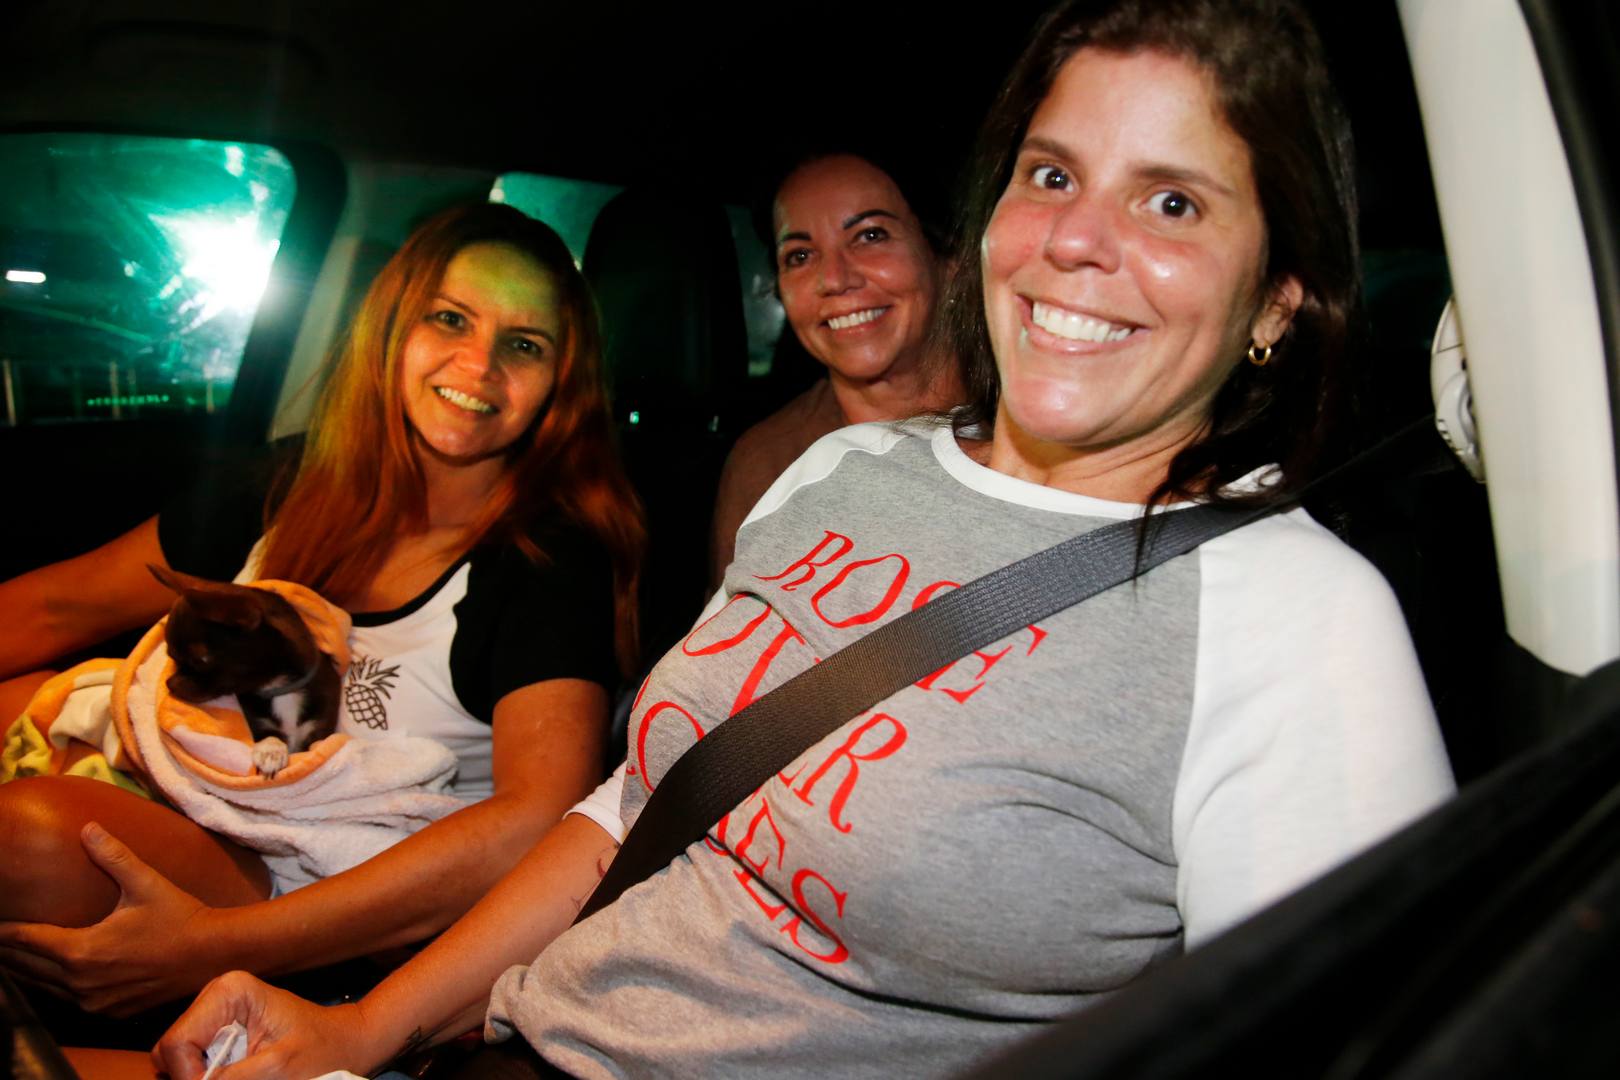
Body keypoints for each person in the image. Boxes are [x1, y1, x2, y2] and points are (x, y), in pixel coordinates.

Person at [147, 2, 1456, 1076]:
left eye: (1172, 204)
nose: (1074, 239)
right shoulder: (836, 468)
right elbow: (624, 812)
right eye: (1052, 175)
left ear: (1278, 300)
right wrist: (364, 1028)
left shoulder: (1290, 615)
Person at [0, 203, 644, 1015]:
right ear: (392, 329)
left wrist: (205, 946)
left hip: (344, 898)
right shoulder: (290, 483)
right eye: (449, 319)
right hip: (203, 791)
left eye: (523, 345)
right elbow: (57, 606)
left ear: (562, 381)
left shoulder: (548, 557)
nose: (478, 367)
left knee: (27, 838)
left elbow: (538, 816)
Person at [707, 151, 962, 587]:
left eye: (871, 235)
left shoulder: (1037, 435)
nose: (835, 279)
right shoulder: (766, 465)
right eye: (801, 255)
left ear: (948, 260)